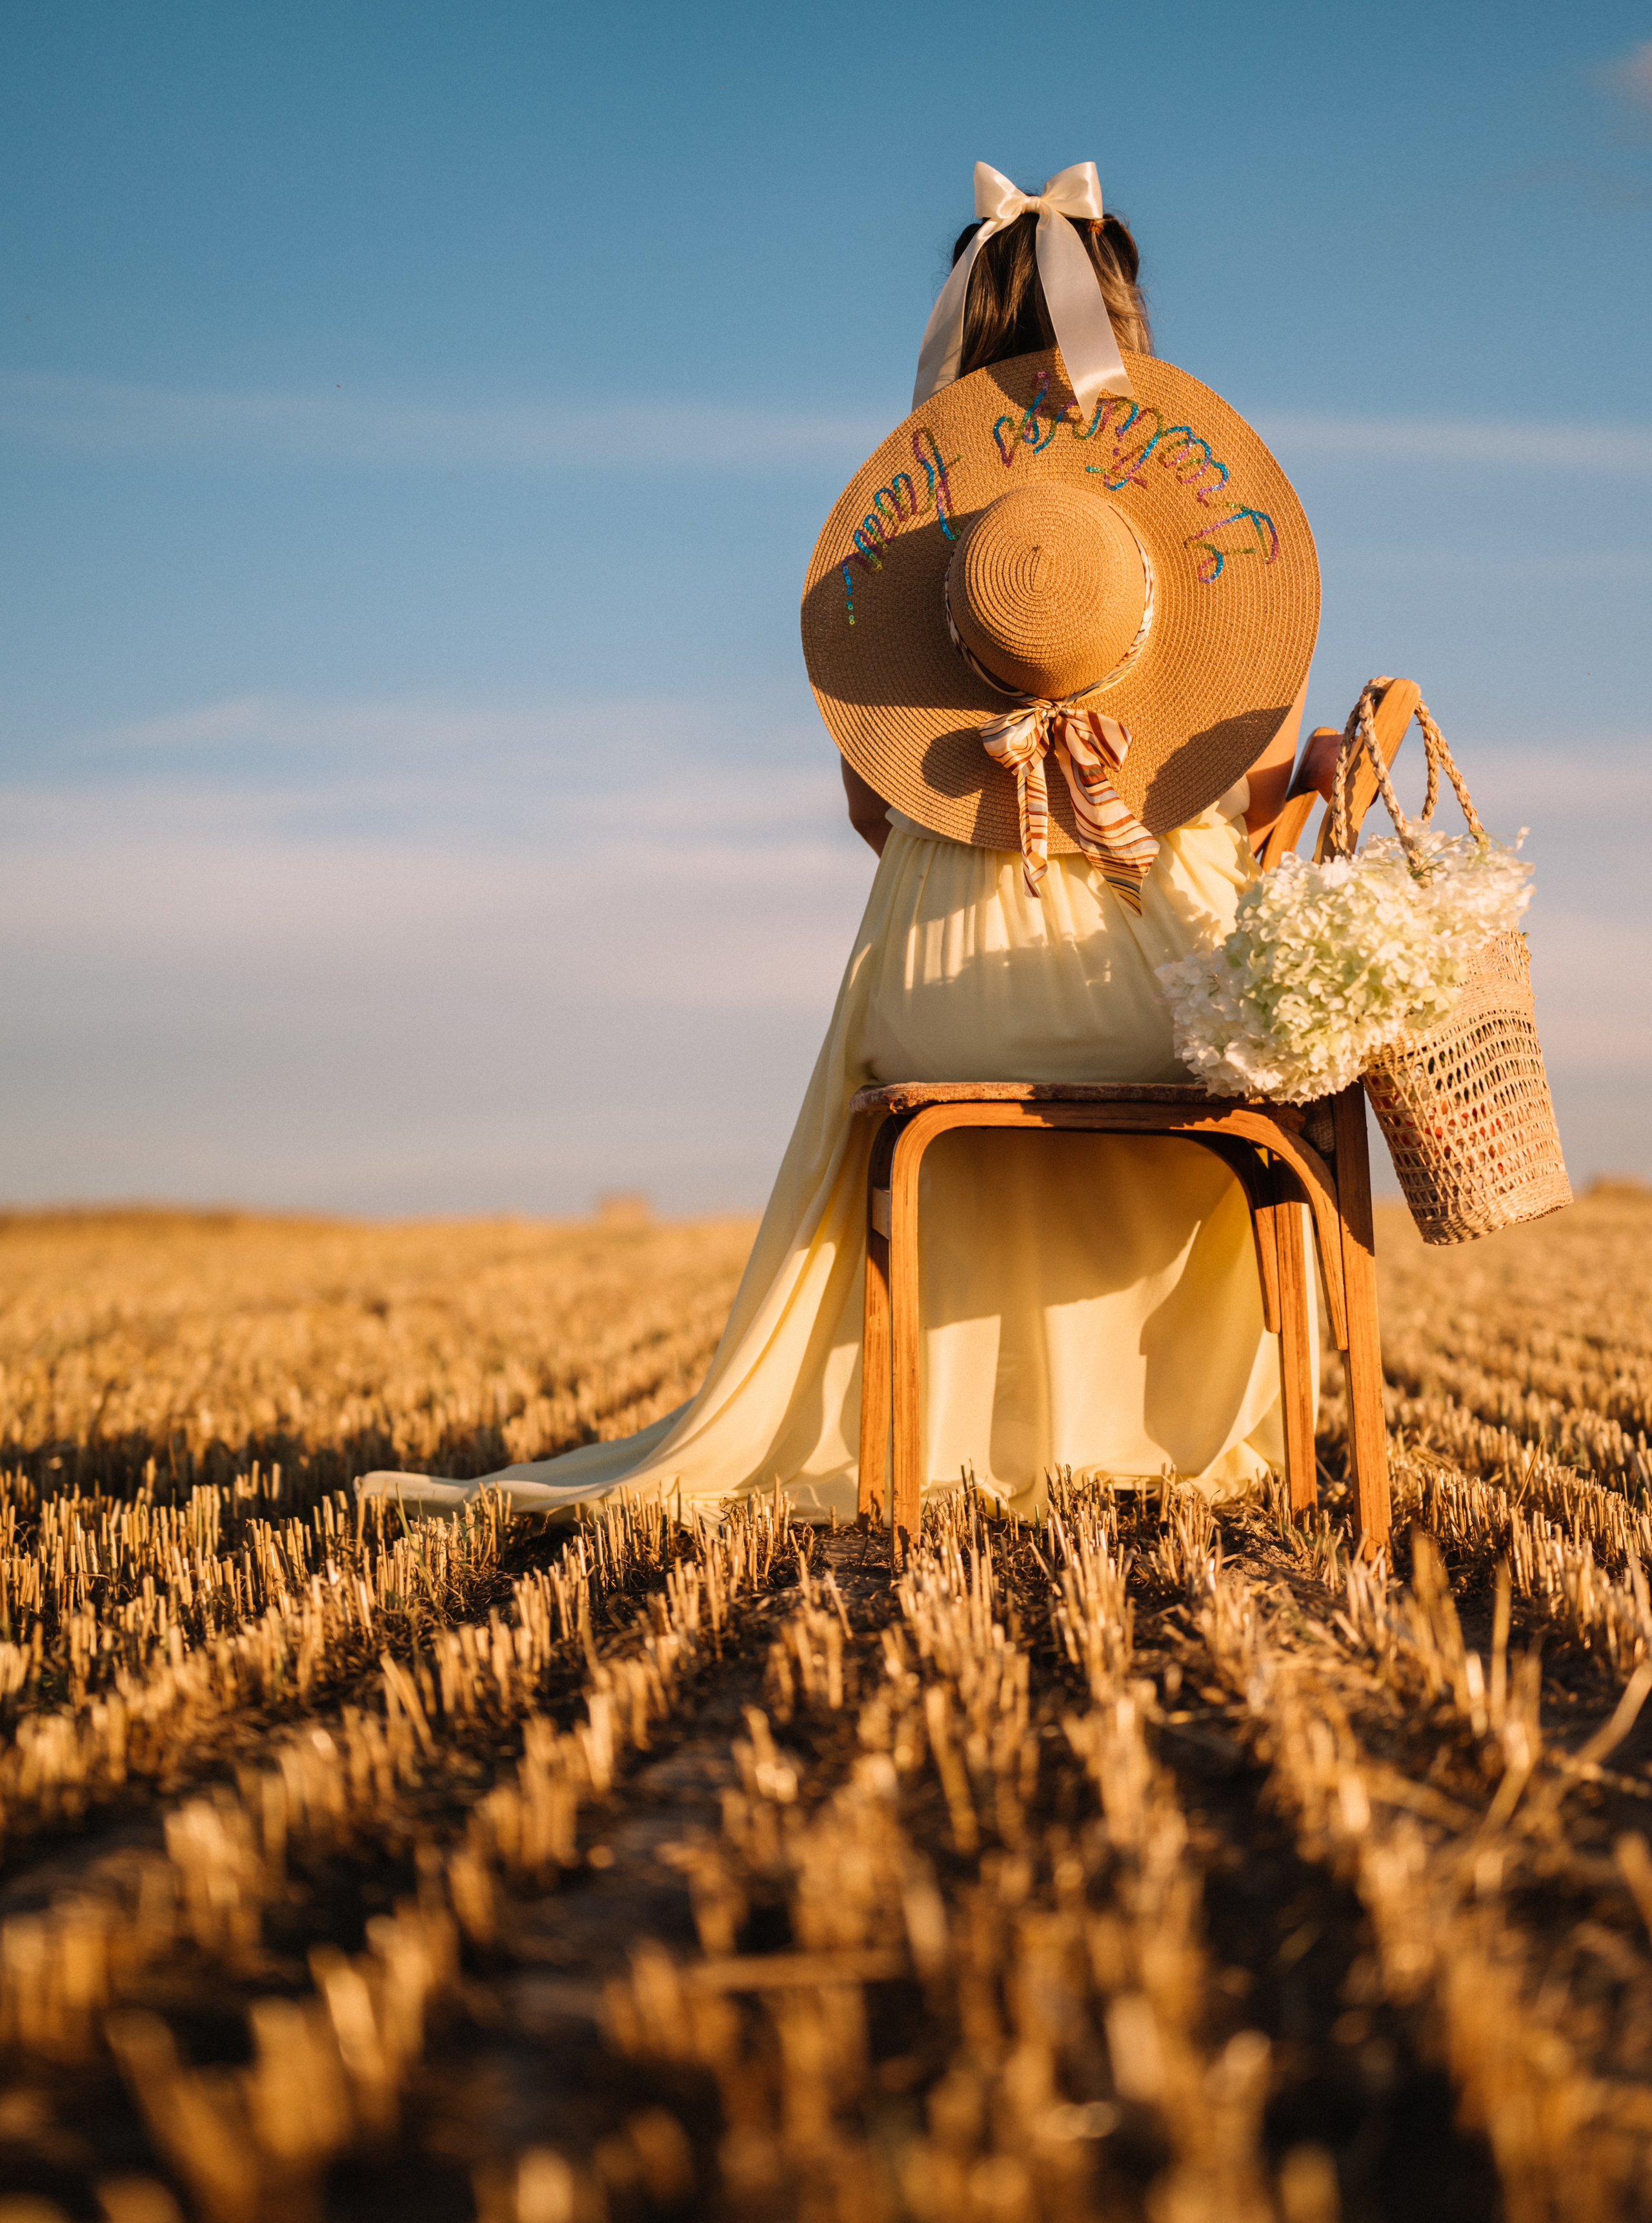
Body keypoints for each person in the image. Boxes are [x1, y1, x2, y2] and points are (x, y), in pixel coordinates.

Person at [359, 162, 1320, 1527]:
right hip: (1167, 1007)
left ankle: (937, 1420)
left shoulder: (932, 553)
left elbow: (873, 812)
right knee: (1233, 1031)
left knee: (913, 1028)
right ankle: (1144, 1421)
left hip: (941, 996)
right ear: (1124, 311)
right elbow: (1256, 781)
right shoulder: (1177, 520)